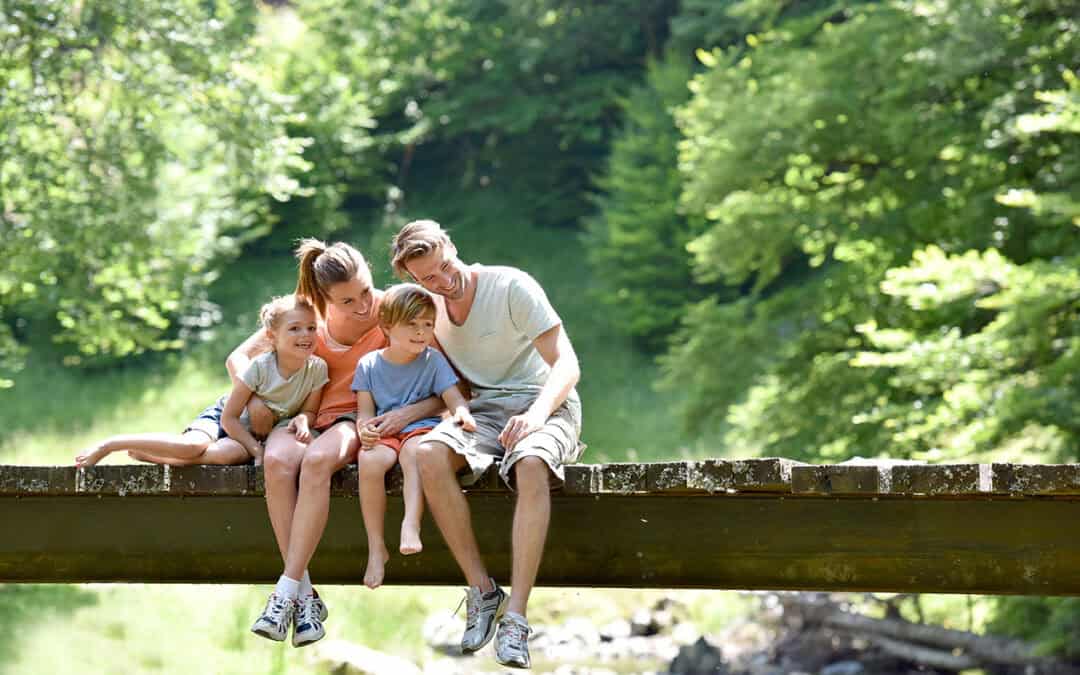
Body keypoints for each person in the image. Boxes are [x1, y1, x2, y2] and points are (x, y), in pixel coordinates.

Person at [390, 219, 584, 669]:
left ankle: (516, 618)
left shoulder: (511, 285)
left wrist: (536, 415)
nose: (442, 282)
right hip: (482, 411)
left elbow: (567, 364)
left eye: (444, 266)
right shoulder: (429, 309)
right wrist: (407, 414)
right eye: (427, 278)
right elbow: (452, 386)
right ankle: (482, 590)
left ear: (453, 246)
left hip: (547, 403)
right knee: (428, 453)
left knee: (531, 462)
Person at [239, 240, 443, 648]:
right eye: (348, 300)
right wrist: (259, 398)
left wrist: (404, 415)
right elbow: (239, 358)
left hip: (358, 419)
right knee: (277, 461)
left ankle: (284, 591)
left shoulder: (394, 310)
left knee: (316, 462)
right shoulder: (306, 317)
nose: (364, 305)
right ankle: (305, 596)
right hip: (304, 416)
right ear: (323, 298)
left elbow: (444, 384)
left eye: (366, 291)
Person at [75, 295, 327, 468]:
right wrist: (256, 449)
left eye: (311, 328)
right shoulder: (259, 368)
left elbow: (309, 411)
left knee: (225, 456)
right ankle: (112, 444)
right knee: (193, 446)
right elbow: (229, 418)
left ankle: (159, 457)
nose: (306, 335)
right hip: (225, 418)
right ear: (272, 336)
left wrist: (303, 420)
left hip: (248, 434)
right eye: (295, 329)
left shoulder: (316, 369)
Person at [352, 283, 476, 589]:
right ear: (387, 326)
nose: (421, 332)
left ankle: (411, 523)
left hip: (420, 430)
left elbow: (453, 397)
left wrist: (462, 413)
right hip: (384, 434)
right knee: (369, 461)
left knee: (414, 454)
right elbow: (365, 412)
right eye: (412, 324)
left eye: (427, 325)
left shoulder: (432, 360)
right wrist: (365, 431)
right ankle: (376, 546)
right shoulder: (368, 364)